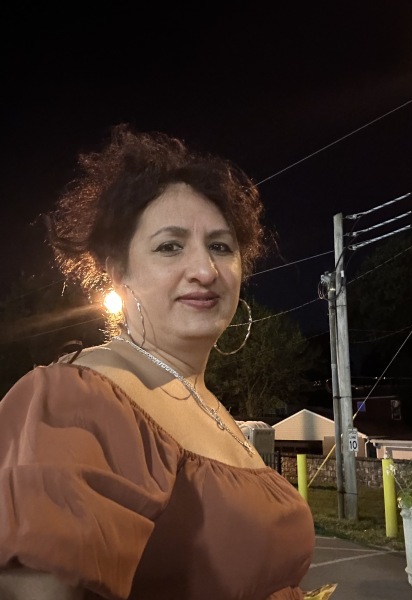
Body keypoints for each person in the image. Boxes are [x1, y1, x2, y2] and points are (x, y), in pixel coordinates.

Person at [0, 124, 316, 599]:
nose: (205, 270)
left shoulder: (208, 404)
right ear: (117, 270)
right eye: (170, 246)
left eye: (221, 246)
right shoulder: (74, 399)